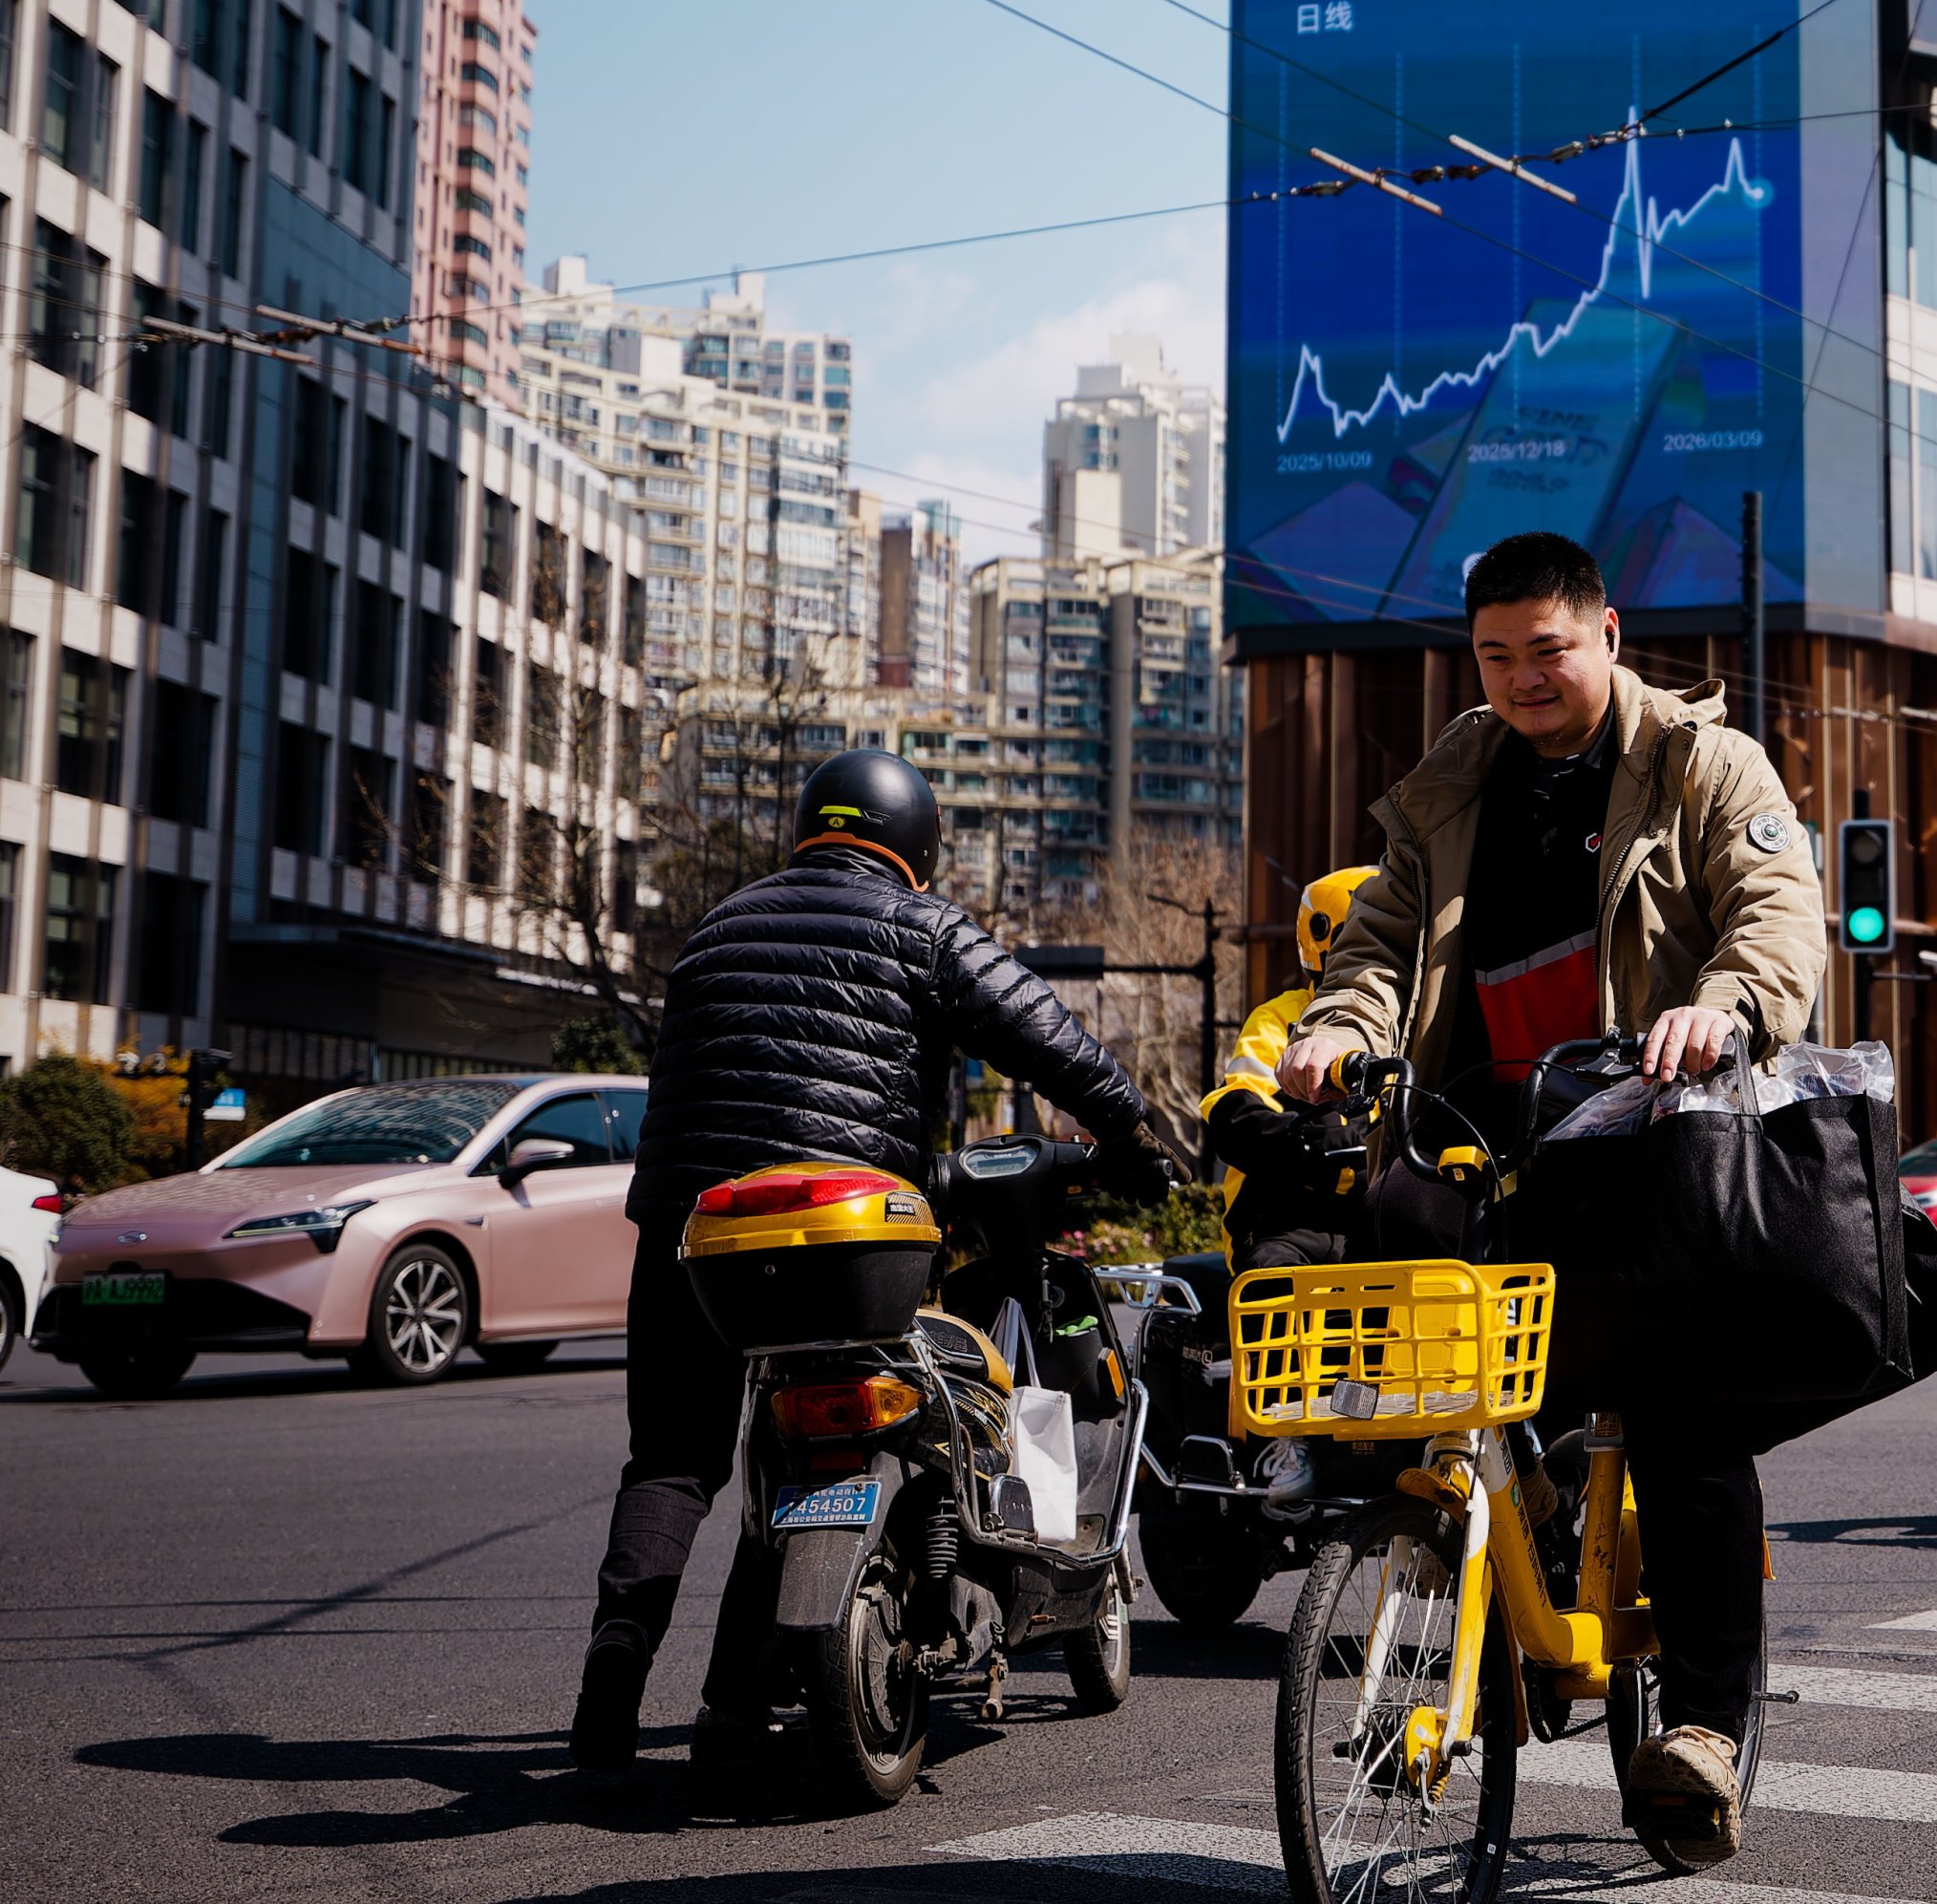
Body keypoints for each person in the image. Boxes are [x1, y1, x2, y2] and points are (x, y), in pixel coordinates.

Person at [1272, 532, 1824, 1867]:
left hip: (1651, 1133)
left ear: (1608, 638)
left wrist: (1721, 1007)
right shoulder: (1446, 788)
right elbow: (1375, 946)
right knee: (1394, 1346)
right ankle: (1454, 1562)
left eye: (1548, 650)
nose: (1523, 677)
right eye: (1496, 655)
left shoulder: (1703, 764)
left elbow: (1775, 915)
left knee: (1685, 1422)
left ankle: (1697, 1725)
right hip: (1482, 1135)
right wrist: (1335, 1026)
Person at [568, 747, 1159, 1774]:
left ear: (808, 829)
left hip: (693, 1233)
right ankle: (732, 1706)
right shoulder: (919, 925)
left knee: (672, 1460)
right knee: (822, 1439)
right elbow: (1044, 1034)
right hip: (843, 1232)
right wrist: (1131, 1136)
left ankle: (612, 1674)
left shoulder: (718, 926)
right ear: (917, 847)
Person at [1204, 864, 1379, 1271]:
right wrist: (1309, 1139)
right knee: (1275, 1293)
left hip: (1374, 1218)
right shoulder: (1280, 1020)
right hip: (1283, 1223)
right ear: (1328, 940)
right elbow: (1237, 1112)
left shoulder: (1417, 1022)